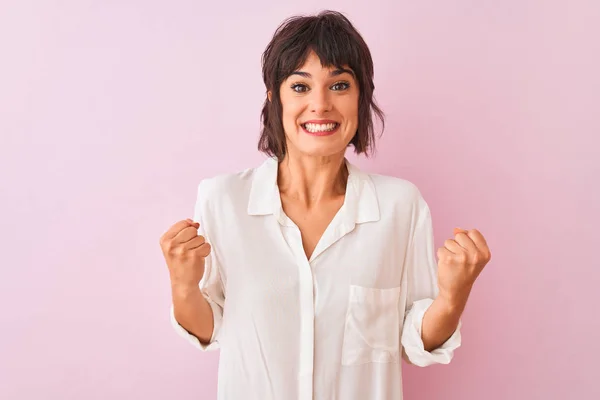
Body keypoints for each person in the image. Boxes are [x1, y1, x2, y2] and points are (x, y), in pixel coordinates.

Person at [159, 10, 491, 400]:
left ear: (360, 96)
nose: (320, 104)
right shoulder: (223, 200)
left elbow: (414, 341)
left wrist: (454, 294)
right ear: (274, 98)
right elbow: (209, 328)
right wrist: (182, 282)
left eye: (339, 85)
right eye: (300, 87)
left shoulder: (401, 206)